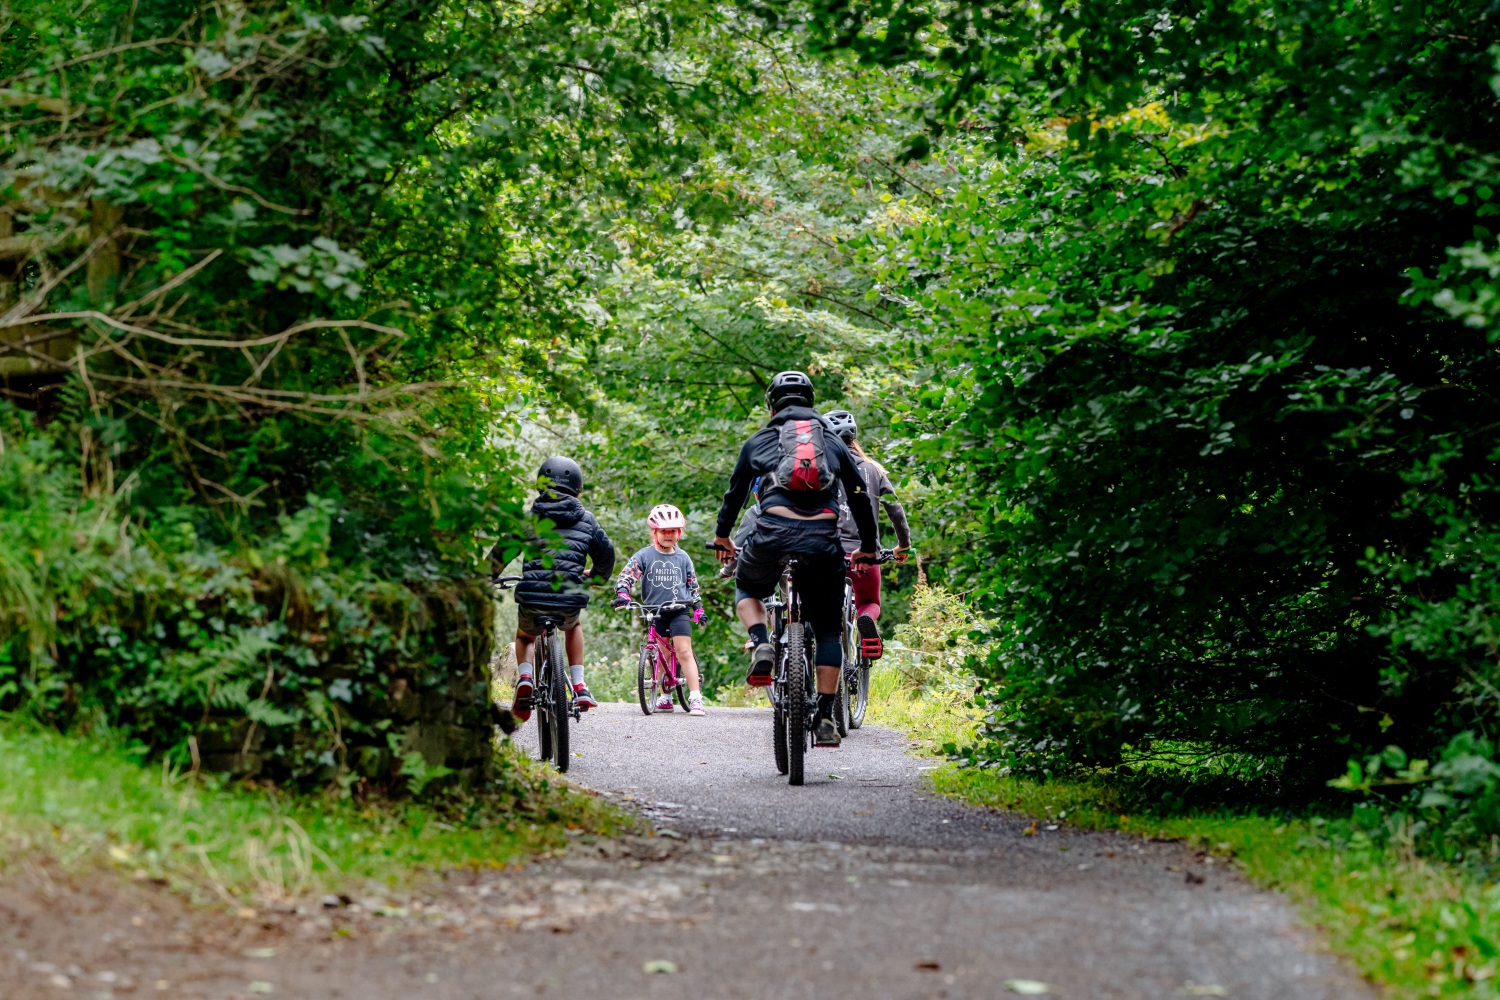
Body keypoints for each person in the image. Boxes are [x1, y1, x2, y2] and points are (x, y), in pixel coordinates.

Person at [712, 370, 879, 748]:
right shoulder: (833, 443)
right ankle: (823, 716)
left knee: (747, 588)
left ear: (771, 405)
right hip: (823, 542)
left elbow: (735, 494)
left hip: (770, 536)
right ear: (811, 402)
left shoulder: (760, 440)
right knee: (827, 628)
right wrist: (868, 545)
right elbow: (858, 496)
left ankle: (761, 643)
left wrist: (723, 537)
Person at [502, 456, 616, 723]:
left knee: (525, 636)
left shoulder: (529, 519)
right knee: (573, 625)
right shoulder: (586, 519)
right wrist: (597, 577)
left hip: (532, 597)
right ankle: (579, 685)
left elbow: (503, 550)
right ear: (578, 490)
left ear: (541, 486)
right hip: (568, 599)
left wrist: (486, 576)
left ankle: (526, 678)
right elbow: (606, 554)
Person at [822, 409, 912, 657]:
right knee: (870, 603)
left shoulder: (820, 471)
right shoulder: (873, 470)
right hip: (865, 554)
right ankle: (865, 619)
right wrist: (903, 544)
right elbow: (895, 510)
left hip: (826, 554)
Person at [612, 503, 708, 716]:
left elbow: (692, 585)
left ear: (679, 533)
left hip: (679, 610)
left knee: (683, 651)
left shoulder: (683, 558)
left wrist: (698, 608)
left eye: (672, 531)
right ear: (655, 532)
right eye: (664, 531)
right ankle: (665, 697)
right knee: (661, 654)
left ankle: (695, 698)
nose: (668, 535)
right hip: (655, 612)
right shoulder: (644, 556)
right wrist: (622, 593)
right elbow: (627, 575)